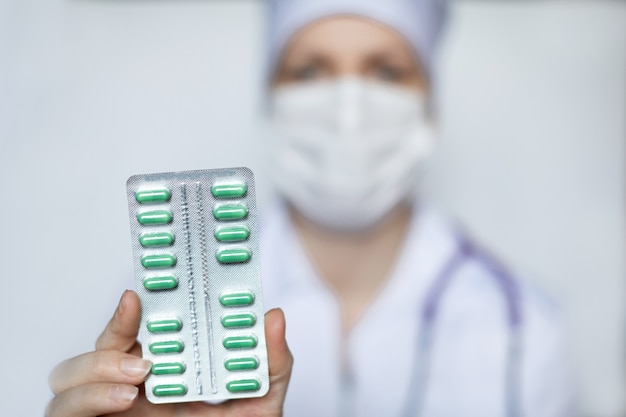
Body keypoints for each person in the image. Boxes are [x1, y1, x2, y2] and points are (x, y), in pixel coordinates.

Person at [47, 0, 574, 416]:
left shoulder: (522, 329)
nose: (348, 108)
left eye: (386, 72)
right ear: (269, 101)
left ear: (430, 109)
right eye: (309, 71)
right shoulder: (162, 321)